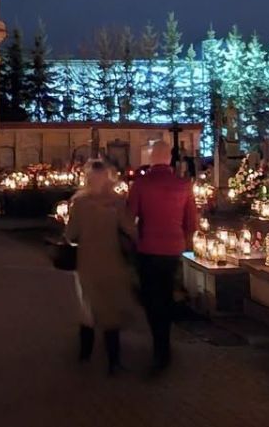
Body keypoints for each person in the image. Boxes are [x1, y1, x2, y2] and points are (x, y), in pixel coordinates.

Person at [128, 140, 197, 372]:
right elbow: (191, 223)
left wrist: (134, 239)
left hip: (148, 248)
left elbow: (130, 218)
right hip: (172, 248)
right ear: (169, 159)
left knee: (151, 298)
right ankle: (163, 344)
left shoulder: (141, 184)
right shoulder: (184, 185)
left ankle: (160, 345)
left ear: (151, 158)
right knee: (166, 295)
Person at [65, 160, 137, 373]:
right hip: (112, 261)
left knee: (87, 308)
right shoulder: (117, 202)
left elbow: (70, 235)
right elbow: (130, 229)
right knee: (110, 310)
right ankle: (113, 360)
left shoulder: (79, 203)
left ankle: (85, 354)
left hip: (87, 262)